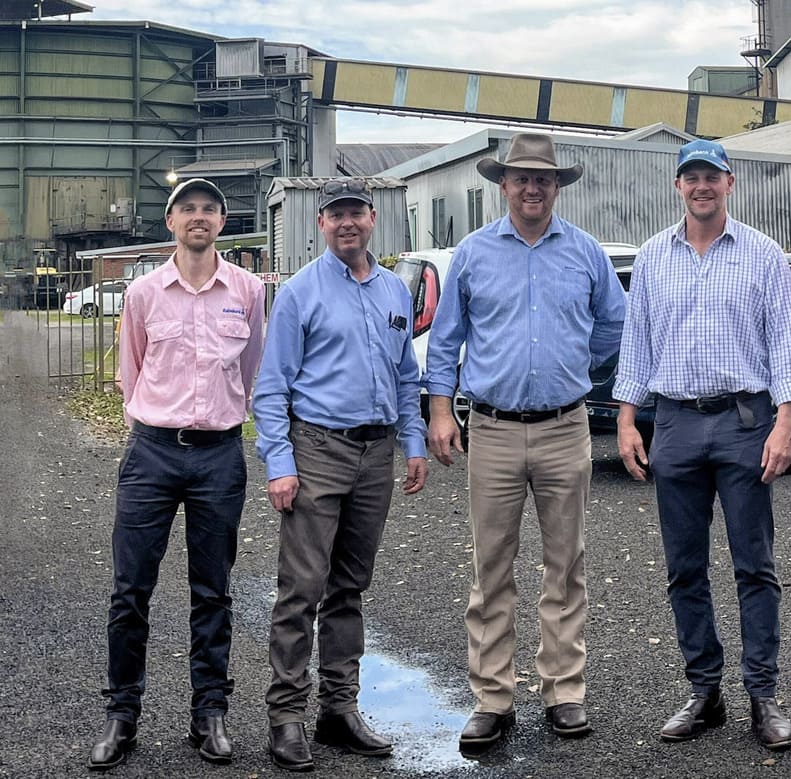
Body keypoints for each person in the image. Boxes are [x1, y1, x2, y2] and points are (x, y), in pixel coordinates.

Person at [424, 132, 625, 750]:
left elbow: (614, 325)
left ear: (557, 186)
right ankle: (492, 697)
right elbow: (445, 340)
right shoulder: (474, 254)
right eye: (521, 179)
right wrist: (440, 410)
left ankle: (564, 691)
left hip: (566, 428)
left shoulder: (585, 253)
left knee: (566, 566)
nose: (532, 188)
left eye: (543, 180)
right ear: (503, 185)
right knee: (491, 569)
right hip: (494, 431)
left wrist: (574, 374)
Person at [613, 139, 791, 751]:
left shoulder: (764, 254)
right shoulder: (652, 257)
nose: (701, 186)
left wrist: (787, 420)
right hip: (673, 424)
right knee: (683, 568)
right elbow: (636, 343)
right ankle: (704, 692)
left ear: (730, 184)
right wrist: (626, 419)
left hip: (744, 422)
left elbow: (785, 342)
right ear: (678, 187)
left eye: (712, 177)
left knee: (755, 564)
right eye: (691, 177)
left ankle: (763, 695)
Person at [88, 178, 265, 770]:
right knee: (130, 590)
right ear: (170, 222)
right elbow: (130, 372)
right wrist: (154, 426)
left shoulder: (246, 290)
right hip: (153, 454)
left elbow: (253, 366)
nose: (199, 217)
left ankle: (208, 714)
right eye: (187, 208)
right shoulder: (142, 294)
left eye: (209, 209)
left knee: (213, 591)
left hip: (219, 455)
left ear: (221, 222)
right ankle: (121, 715)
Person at [252, 178, 428, 772]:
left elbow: (406, 375)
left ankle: (338, 710)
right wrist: (279, 463)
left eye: (356, 212)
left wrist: (414, 443)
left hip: (375, 455)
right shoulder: (300, 294)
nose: (347, 223)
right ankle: (285, 718)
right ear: (322, 224)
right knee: (301, 589)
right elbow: (271, 386)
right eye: (336, 215)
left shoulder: (394, 293)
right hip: (317, 450)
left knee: (349, 587)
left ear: (372, 218)